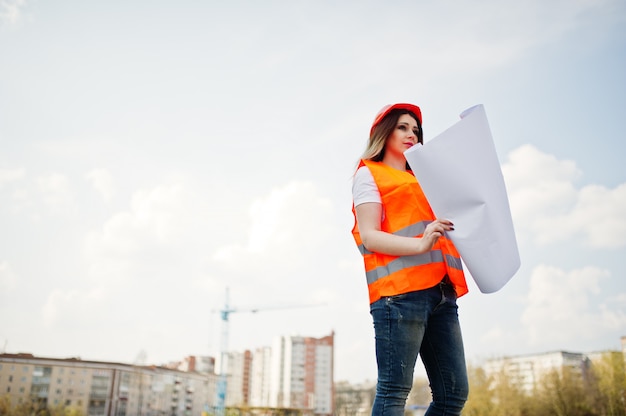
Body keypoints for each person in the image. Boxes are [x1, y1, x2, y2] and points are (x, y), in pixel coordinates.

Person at [351, 103, 470, 415]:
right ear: (384, 131)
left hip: (441, 292)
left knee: (454, 393)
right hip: (399, 296)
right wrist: (420, 245)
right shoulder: (369, 174)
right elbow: (369, 235)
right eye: (403, 127)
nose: (411, 134)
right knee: (394, 392)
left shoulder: (425, 180)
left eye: (415, 130)